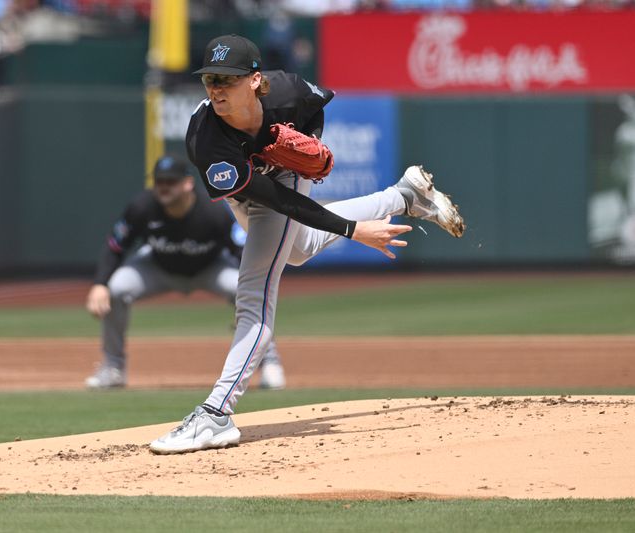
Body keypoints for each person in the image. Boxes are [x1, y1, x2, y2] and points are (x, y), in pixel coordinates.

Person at [149, 34, 465, 454]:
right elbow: (276, 201)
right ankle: (406, 196)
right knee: (295, 250)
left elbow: (315, 108)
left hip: (280, 174)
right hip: (253, 189)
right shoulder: (206, 141)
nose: (216, 88)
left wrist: (303, 143)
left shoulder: (288, 91)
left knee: (254, 295)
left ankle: (215, 415)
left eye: (227, 79)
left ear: (255, 81)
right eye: (210, 79)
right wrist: (354, 230)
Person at [85, 154, 287, 390]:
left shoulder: (214, 212)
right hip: (157, 267)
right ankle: (113, 367)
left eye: (171, 182)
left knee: (241, 288)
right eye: (159, 181)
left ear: (187, 183)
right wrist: (99, 283)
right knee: (117, 288)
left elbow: (242, 251)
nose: (164, 187)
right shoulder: (142, 207)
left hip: (209, 267)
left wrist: (254, 288)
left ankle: (270, 362)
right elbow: (115, 246)